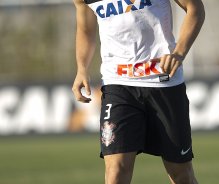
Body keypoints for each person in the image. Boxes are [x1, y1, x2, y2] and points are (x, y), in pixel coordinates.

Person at [72, 0, 205, 183]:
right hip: (117, 84)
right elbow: (85, 29)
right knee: (116, 171)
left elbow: (195, 8)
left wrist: (179, 52)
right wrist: (81, 69)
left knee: (180, 174)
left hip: (164, 83)